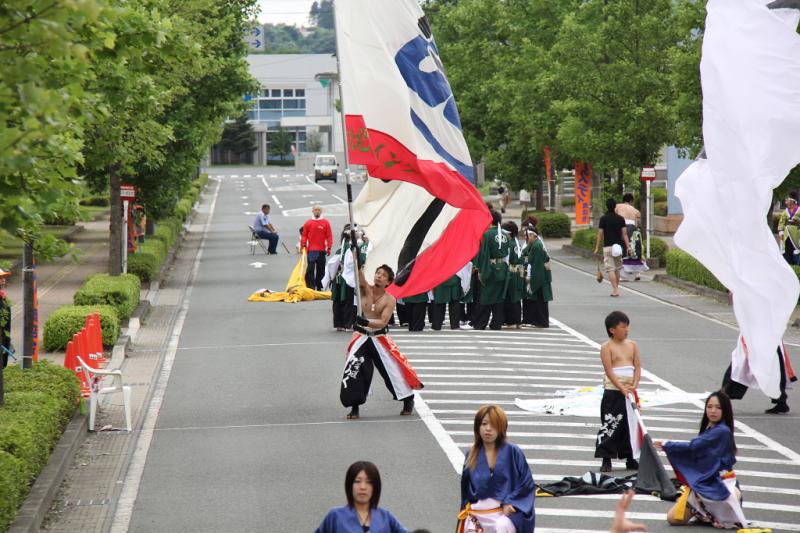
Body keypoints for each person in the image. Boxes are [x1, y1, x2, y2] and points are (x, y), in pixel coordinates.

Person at [340, 265, 423, 419]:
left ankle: (408, 400)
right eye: (378, 272)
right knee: (356, 369)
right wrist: (356, 257)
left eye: (383, 275)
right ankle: (354, 407)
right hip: (361, 337)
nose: (379, 276)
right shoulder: (365, 289)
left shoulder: (390, 299)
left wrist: (365, 322)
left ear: (388, 282)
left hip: (379, 337)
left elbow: (383, 322)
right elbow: (360, 278)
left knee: (392, 371)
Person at [655, 391, 746, 529]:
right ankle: (705, 513)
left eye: (718, 407)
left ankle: (715, 513)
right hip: (703, 482)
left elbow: (694, 447)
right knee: (672, 518)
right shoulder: (710, 428)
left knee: (731, 498)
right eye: (709, 407)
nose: (713, 411)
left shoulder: (722, 431)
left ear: (725, 410)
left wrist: (667, 445)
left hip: (720, 483)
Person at [458, 405, 536, 533]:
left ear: (501, 428)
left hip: (505, 514)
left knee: (501, 526)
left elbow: (526, 484)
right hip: (477, 513)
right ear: (477, 426)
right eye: (484, 424)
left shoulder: (513, 452)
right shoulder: (471, 454)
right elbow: (466, 492)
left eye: (493, 425)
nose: (488, 429)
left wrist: (511, 502)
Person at [595, 311, 641, 473]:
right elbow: (609, 371)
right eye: (623, 327)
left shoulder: (633, 345)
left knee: (631, 425)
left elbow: (637, 367)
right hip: (613, 390)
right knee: (611, 424)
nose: (627, 330)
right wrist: (621, 388)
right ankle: (606, 459)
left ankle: (630, 457)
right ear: (612, 329)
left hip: (630, 391)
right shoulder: (606, 347)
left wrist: (634, 384)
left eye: (627, 327)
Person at [316, 461, 408, 533]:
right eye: (357, 481)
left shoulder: (386, 517)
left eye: (369, 482)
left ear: (375, 486)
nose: (363, 487)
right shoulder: (335, 516)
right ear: (349, 485)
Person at [472, 211, 510, 330]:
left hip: (490, 268)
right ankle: (496, 323)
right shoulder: (505, 235)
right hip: (503, 268)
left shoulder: (487, 235)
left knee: (486, 296)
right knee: (499, 298)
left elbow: (484, 253)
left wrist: (479, 269)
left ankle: (481, 323)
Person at [594, 198, 632, 297]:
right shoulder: (620, 219)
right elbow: (625, 234)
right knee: (617, 269)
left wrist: (597, 247)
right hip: (618, 248)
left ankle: (615, 289)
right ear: (615, 206)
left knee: (610, 269)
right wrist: (628, 247)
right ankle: (616, 288)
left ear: (607, 206)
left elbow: (600, 234)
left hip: (608, 247)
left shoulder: (603, 219)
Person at [325, 225, 358, 331]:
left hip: (338, 277)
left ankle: (339, 323)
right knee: (349, 300)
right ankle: (348, 323)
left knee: (339, 301)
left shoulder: (342, 249)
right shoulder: (352, 248)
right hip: (346, 278)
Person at [522, 224, 552, 328]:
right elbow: (524, 253)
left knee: (541, 300)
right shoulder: (533, 244)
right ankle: (537, 320)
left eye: (530, 235)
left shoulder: (537, 246)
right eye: (527, 235)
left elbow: (538, 265)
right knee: (536, 300)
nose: (528, 237)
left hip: (540, 276)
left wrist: (533, 281)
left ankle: (543, 321)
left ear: (535, 236)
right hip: (538, 274)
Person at [428, 262, 471, 330]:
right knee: (454, 302)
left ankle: (436, 325)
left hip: (441, 275)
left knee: (440, 302)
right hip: (455, 274)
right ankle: (454, 325)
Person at [615, 193, 648, 281]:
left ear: (623, 200)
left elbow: (615, 218)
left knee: (622, 250)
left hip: (622, 227)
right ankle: (638, 273)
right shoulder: (636, 210)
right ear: (631, 201)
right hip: (633, 229)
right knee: (635, 250)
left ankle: (622, 275)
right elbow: (638, 224)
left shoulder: (618, 206)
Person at [302, 205, 334, 290]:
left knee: (321, 270)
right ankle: (311, 287)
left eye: (319, 210)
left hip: (321, 250)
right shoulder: (308, 223)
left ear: (321, 211)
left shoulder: (325, 223)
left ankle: (319, 286)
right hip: (311, 250)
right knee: (310, 270)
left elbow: (329, 236)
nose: (317, 211)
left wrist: (329, 247)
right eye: (316, 210)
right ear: (312, 211)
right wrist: (303, 244)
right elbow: (304, 235)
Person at [502, 221, 525, 328]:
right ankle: (517, 321)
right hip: (519, 273)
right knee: (516, 298)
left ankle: (511, 321)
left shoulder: (510, 244)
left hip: (512, 273)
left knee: (510, 297)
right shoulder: (516, 243)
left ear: (509, 233)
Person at [778, 193, 800, 265]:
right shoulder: (785, 211)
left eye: (787, 200)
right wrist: (781, 232)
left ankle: (797, 265)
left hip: (797, 233)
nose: (786, 202)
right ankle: (788, 264)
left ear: (792, 201)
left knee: (796, 249)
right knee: (787, 250)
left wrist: (798, 220)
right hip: (786, 234)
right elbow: (781, 222)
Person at [0, 268, 12, 369]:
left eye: (4, 277)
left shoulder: (3, 299)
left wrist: (7, 340)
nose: (3, 280)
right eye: (1, 278)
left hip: (4, 339)